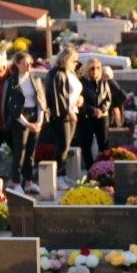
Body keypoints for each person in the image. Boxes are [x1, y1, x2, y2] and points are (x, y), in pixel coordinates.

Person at [1, 52, 46, 193]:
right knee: (20, 151)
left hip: (35, 115)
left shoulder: (35, 79)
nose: (28, 66)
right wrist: (27, 124)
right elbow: (12, 107)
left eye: (30, 63)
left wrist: (39, 121)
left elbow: (41, 101)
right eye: (25, 63)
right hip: (19, 118)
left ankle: (29, 182)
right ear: (17, 64)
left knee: (31, 152)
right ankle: (16, 183)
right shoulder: (12, 81)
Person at [44, 47, 83, 190]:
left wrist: (80, 99)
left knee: (65, 146)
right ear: (67, 59)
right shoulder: (56, 73)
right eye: (74, 60)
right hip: (62, 115)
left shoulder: (70, 73)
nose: (76, 63)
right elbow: (57, 96)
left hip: (72, 113)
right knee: (63, 145)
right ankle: (58, 176)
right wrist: (69, 112)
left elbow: (74, 92)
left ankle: (62, 174)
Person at [78, 59, 112, 170]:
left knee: (104, 143)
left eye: (98, 68)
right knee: (86, 144)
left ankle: (104, 168)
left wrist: (102, 109)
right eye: (92, 68)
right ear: (87, 69)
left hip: (102, 116)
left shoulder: (103, 81)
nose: (95, 71)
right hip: (87, 116)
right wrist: (92, 110)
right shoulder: (81, 82)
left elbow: (108, 98)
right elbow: (80, 101)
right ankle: (90, 168)